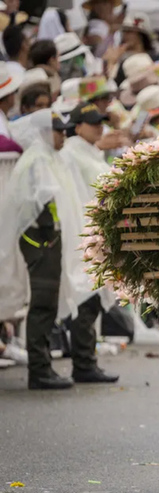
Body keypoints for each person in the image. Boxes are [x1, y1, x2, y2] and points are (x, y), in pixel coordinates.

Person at [0, 109, 118, 389]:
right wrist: (45, 241)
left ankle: (54, 367)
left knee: (54, 301)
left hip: (52, 239)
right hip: (41, 241)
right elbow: (33, 204)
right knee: (43, 303)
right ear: (43, 132)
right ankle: (40, 371)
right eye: (58, 130)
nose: (63, 135)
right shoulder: (37, 159)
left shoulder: (50, 157)